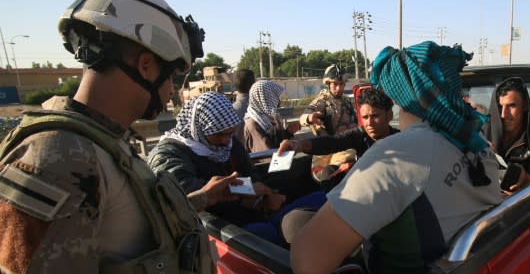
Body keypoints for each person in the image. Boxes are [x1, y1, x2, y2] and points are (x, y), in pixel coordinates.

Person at [0, 0, 239, 274]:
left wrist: (200, 199)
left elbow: (121, 230)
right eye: (173, 76)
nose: (173, 90)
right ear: (145, 64)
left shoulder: (103, 143)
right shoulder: (60, 157)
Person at [289, 41, 503, 274]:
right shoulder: (476, 142)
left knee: (293, 221)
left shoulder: (397, 154)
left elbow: (306, 264)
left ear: (398, 99)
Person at [147, 91, 325, 246]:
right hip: (222, 227)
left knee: (321, 199)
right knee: (268, 236)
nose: (226, 141)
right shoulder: (170, 154)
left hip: (254, 212)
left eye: (229, 134)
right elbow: (186, 194)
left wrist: (264, 198)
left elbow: (251, 175)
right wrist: (247, 191)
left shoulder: (230, 143)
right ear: (199, 128)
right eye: (218, 135)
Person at [277, 87, 399, 183]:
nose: (369, 123)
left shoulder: (402, 139)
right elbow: (333, 141)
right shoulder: (360, 134)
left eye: (375, 116)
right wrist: (300, 145)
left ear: (389, 116)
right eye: (365, 117)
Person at [483, 77, 530, 193]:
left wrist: (526, 179)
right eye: (500, 107)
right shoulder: (482, 135)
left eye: (511, 106)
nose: (503, 114)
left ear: (525, 106)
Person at [243, 79, 299, 152]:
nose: (278, 100)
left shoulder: (272, 116)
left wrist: (288, 132)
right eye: (275, 96)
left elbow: (277, 139)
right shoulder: (253, 124)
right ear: (266, 98)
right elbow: (267, 153)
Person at [300, 63, 356, 136]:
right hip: (332, 144)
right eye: (335, 84)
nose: (338, 88)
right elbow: (303, 118)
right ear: (328, 84)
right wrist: (309, 118)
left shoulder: (347, 101)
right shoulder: (322, 101)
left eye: (341, 84)